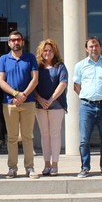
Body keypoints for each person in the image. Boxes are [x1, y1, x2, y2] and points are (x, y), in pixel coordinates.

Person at [73, 37, 102, 178]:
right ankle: (85, 167)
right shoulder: (80, 65)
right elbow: (76, 86)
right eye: (91, 46)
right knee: (84, 139)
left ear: (101, 47)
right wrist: (88, 96)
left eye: (96, 45)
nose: (94, 48)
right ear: (86, 49)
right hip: (86, 106)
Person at [0, 31, 39, 179]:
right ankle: (12, 168)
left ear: (22, 42)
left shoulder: (30, 58)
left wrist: (24, 95)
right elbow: (1, 81)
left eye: (18, 40)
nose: (16, 42)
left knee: (28, 136)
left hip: (28, 102)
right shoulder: (3, 59)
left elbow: (35, 80)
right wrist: (16, 94)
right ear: (9, 43)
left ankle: (30, 168)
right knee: (12, 137)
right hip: (9, 103)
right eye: (13, 40)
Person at [34, 39, 68, 177]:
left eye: (50, 50)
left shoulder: (60, 66)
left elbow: (63, 83)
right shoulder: (37, 67)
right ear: (41, 52)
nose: (48, 53)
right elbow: (33, 85)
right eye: (45, 50)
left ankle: (55, 164)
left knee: (54, 134)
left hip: (57, 105)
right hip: (40, 105)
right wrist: (41, 99)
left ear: (55, 52)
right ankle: (46, 164)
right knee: (44, 134)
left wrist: (50, 99)